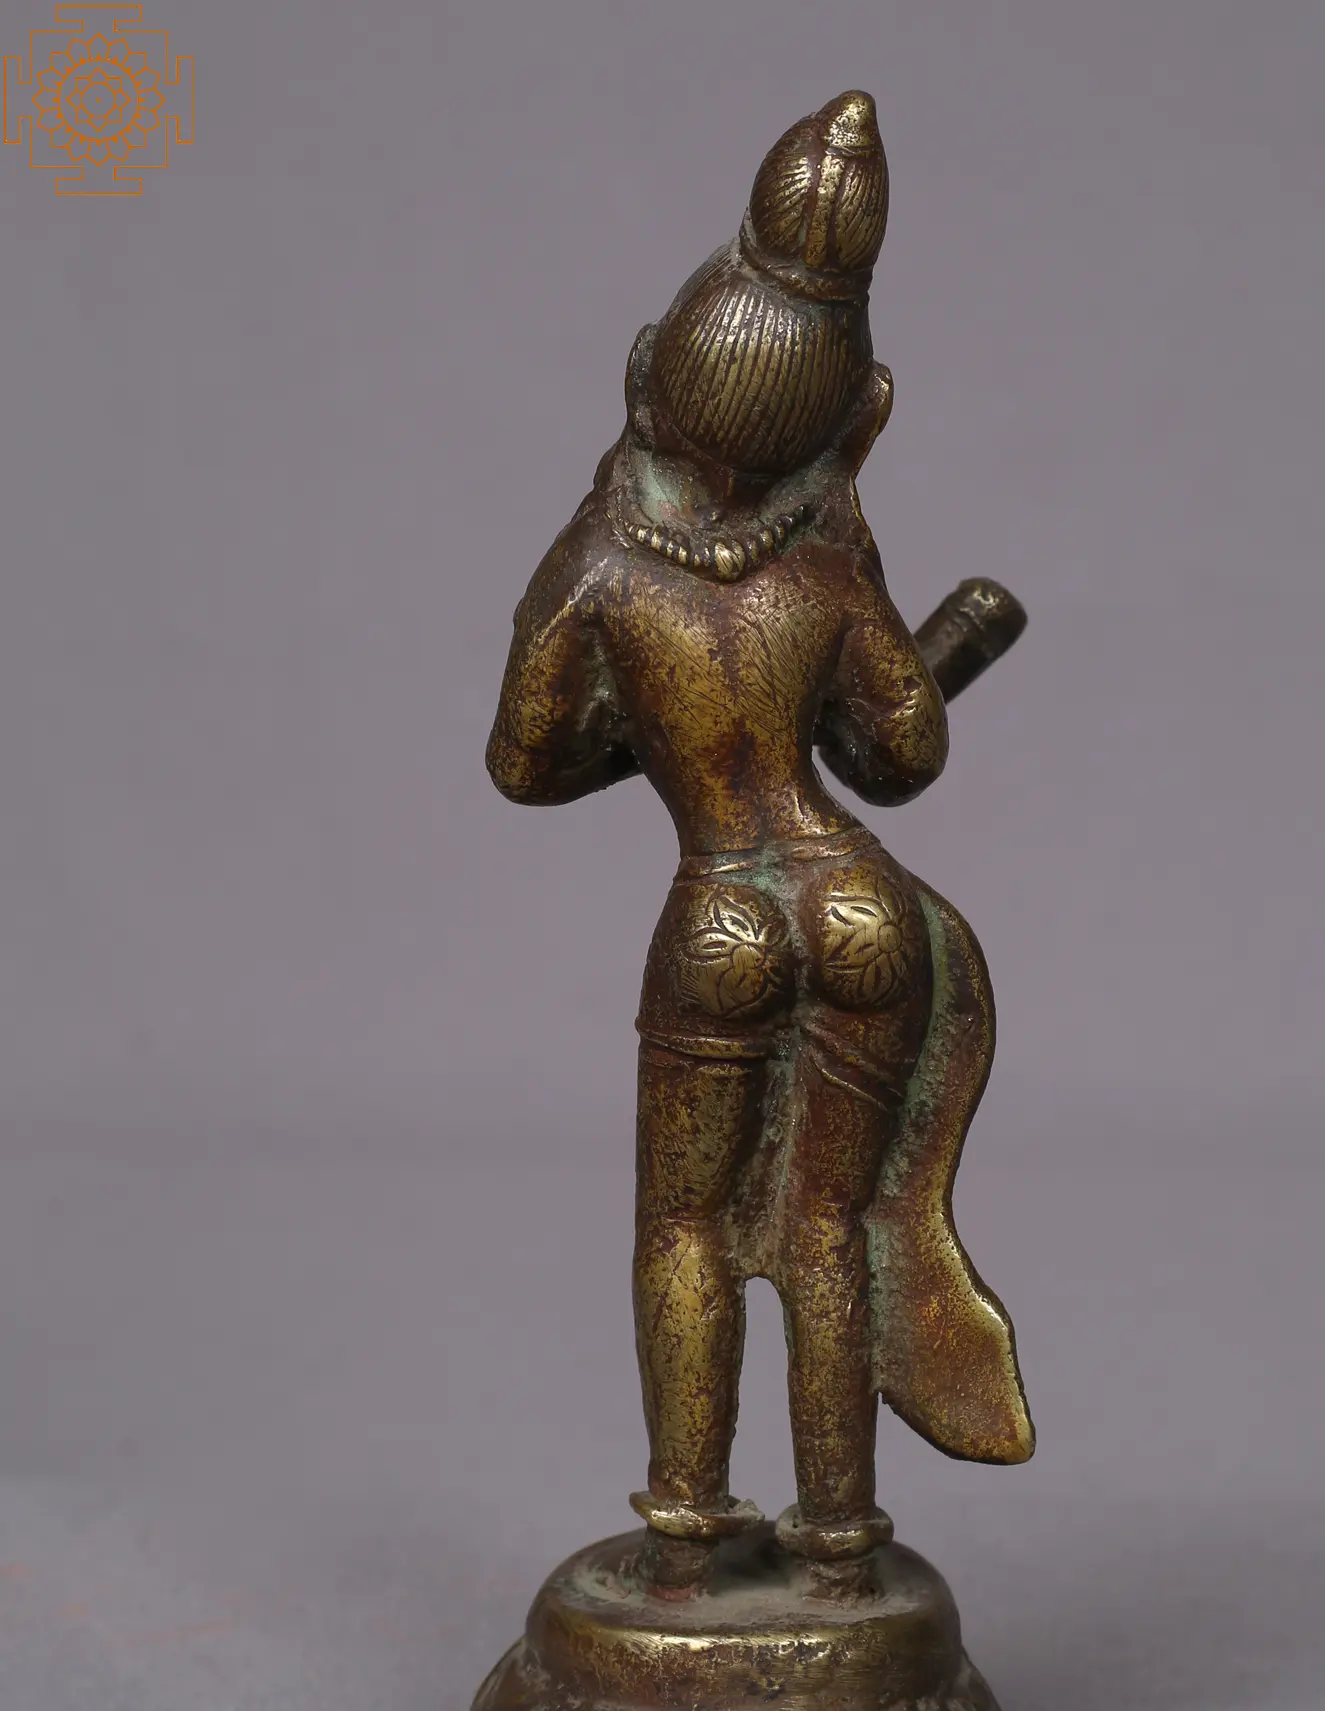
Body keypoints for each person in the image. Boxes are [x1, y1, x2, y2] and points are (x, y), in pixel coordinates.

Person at [488, 92, 1033, 1589]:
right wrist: (928, 636)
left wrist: (650, 739)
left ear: (648, 382)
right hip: (856, 903)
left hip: (721, 904)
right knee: (827, 1229)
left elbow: (524, 764)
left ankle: (686, 1537)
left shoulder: (600, 563)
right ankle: (840, 1541)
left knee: (684, 1229)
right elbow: (897, 757)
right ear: (854, 416)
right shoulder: (830, 552)